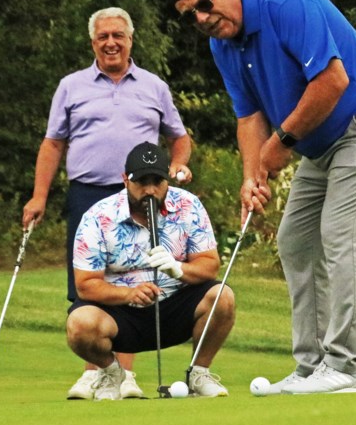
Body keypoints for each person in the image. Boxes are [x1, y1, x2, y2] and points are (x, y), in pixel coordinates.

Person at [164, 0, 356, 394]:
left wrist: (278, 147)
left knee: (341, 235)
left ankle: (347, 369)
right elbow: (248, 116)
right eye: (191, 16)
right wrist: (251, 174)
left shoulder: (287, 2)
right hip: (320, 145)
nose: (202, 18)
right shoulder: (222, 44)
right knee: (295, 240)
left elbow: (332, 82)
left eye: (205, 2)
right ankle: (312, 367)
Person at [22, 7, 193, 400]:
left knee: (133, 277)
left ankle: (125, 376)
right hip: (87, 193)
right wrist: (38, 196)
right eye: (103, 37)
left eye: (119, 35)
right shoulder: (71, 86)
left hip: (140, 194)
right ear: (93, 42)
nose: (111, 43)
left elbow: (179, 138)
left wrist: (178, 166)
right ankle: (98, 370)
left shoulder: (154, 87)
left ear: (131, 39)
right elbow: (53, 144)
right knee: (88, 283)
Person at [66, 141, 234, 400]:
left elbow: (209, 265)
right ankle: (111, 373)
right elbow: (86, 284)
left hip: (174, 309)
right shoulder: (99, 216)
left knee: (222, 296)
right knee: (80, 324)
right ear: (125, 179)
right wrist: (128, 294)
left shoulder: (188, 205)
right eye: (142, 182)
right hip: (120, 315)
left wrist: (178, 269)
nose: (150, 190)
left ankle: (199, 374)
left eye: (158, 181)